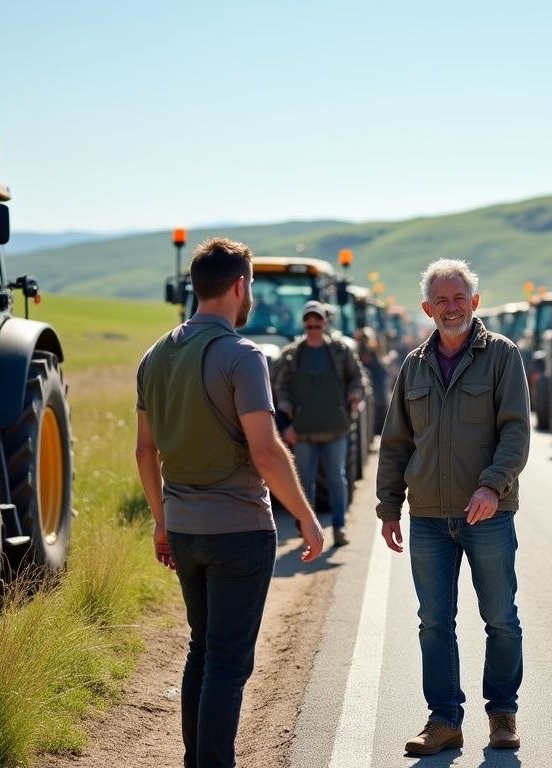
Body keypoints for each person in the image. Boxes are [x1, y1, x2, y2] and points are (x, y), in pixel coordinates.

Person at [135, 237, 325, 768]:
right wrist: (307, 520)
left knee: (202, 650)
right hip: (239, 532)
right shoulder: (243, 357)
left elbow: (143, 451)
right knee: (227, 663)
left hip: (184, 530)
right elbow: (266, 454)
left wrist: (160, 521)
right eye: (252, 289)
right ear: (240, 286)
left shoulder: (154, 356)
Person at [377, 259, 531, 756]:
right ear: (427, 309)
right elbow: (396, 441)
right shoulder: (413, 366)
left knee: (500, 618)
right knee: (434, 622)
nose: (451, 307)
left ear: (475, 302)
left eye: (459, 297)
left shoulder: (503, 356)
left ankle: (502, 713)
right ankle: (444, 720)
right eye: (441, 300)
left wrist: (491, 486)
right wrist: (387, 508)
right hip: (426, 517)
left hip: (488, 513)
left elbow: (515, 432)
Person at [273, 300, 364, 548]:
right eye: (309, 323)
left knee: (337, 479)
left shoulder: (340, 351)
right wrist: (287, 422)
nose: (313, 326)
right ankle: (306, 531)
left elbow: (357, 377)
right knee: (304, 484)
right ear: (304, 324)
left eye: (317, 322)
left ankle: (339, 526)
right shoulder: (292, 355)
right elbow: (281, 388)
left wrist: (354, 396)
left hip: (336, 428)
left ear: (324, 322)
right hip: (303, 432)